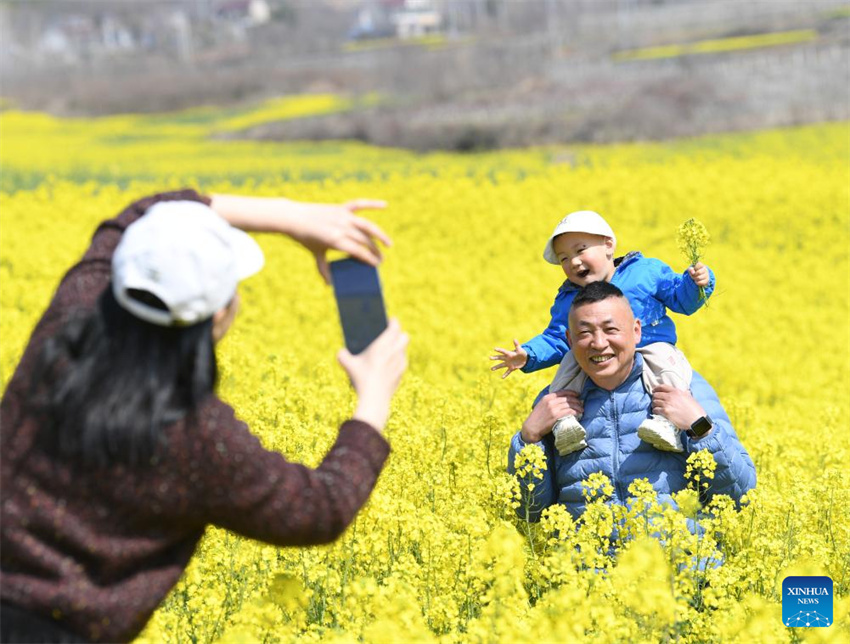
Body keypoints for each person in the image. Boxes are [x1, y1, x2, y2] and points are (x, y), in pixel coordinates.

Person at [0, 189, 408, 644]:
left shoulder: (63, 331)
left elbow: (136, 214)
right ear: (220, 316)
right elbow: (320, 508)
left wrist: (295, 217)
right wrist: (372, 399)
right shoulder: (196, 436)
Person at [507, 281, 755, 523]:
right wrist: (529, 440)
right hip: (587, 563)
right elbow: (530, 514)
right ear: (570, 341)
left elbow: (740, 496)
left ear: (637, 331)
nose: (599, 343)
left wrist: (701, 428)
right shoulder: (553, 403)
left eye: (611, 329)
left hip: (678, 560)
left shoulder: (683, 386)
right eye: (584, 333)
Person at [491, 210, 715, 454]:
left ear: (609, 245)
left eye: (580, 250)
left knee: (669, 369)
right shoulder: (569, 298)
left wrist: (697, 283)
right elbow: (557, 338)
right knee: (568, 366)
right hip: (597, 360)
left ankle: (666, 424)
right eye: (564, 258)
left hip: (652, 347)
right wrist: (528, 355)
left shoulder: (645, 271)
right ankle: (565, 424)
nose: (573, 262)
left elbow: (681, 298)